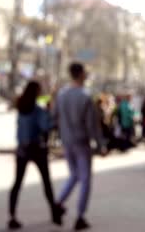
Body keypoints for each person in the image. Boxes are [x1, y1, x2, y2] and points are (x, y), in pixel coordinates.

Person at [54, 63, 106, 231]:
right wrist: (100, 144)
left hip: (67, 141)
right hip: (82, 142)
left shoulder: (62, 95)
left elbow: (54, 116)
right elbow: (93, 125)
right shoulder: (85, 96)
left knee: (74, 175)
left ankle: (59, 202)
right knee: (85, 180)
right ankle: (80, 216)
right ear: (81, 74)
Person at [8, 81, 64, 230]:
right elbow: (46, 126)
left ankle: (12, 216)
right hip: (37, 149)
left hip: (22, 149)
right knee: (46, 182)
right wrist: (52, 116)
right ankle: (54, 212)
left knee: (17, 183)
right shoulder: (37, 111)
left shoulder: (21, 108)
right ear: (36, 92)